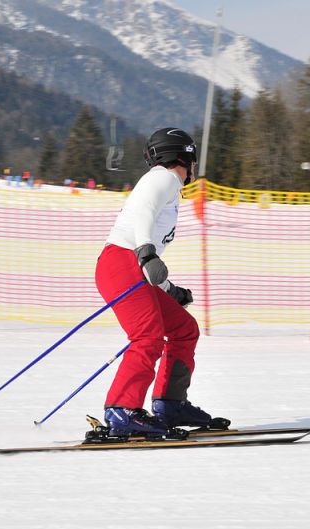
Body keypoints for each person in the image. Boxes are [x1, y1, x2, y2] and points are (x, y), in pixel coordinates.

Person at [94, 128, 219, 438]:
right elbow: (142, 212)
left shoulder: (170, 188)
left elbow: (146, 243)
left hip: (131, 265)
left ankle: (170, 402)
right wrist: (147, 253)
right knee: (147, 335)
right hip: (120, 262)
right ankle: (122, 409)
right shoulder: (162, 177)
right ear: (185, 156)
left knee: (183, 328)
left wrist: (169, 290)